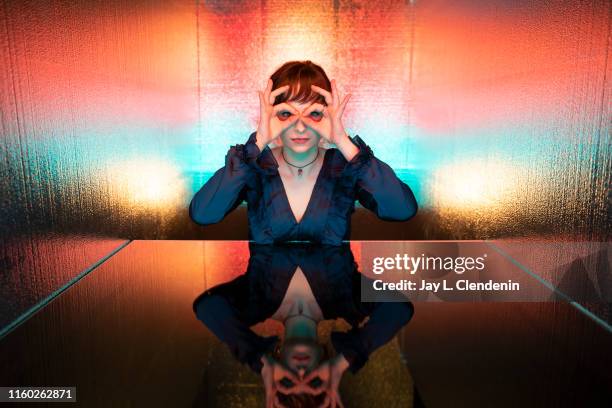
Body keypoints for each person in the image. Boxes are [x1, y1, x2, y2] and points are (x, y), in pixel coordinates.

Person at [189, 60, 418, 245]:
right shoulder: (253, 165)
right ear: (271, 116)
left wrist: (342, 140)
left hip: (335, 298)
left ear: (329, 115)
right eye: (287, 114)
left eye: (314, 114)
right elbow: (203, 214)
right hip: (264, 297)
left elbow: (402, 209)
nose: (300, 127)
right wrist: (259, 141)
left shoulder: (344, 166)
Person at [193, 243, 414, 407]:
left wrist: (259, 360)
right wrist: (344, 361)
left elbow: (207, 307)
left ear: (277, 361)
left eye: (288, 382)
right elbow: (398, 308)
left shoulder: (255, 302)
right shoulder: (348, 301)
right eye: (314, 380)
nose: (300, 373)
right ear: (326, 363)